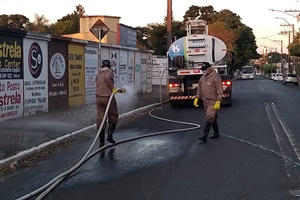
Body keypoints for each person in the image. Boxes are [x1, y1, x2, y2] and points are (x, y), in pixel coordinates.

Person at [193, 62, 223, 143]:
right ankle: (216, 133)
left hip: (213, 101)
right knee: (213, 117)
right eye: (203, 70)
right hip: (205, 101)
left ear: (210, 68)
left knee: (209, 117)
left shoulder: (216, 77)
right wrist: (196, 98)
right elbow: (199, 89)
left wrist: (219, 101)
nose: (204, 71)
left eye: (205, 69)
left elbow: (220, 89)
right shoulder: (202, 78)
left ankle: (204, 136)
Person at [95, 59, 119, 147]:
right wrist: (112, 88)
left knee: (100, 119)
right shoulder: (109, 72)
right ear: (109, 66)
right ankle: (109, 136)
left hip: (98, 98)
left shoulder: (99, 73)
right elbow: (108, 79)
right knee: (113, 116)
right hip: (108, 97)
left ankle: (101, 143)